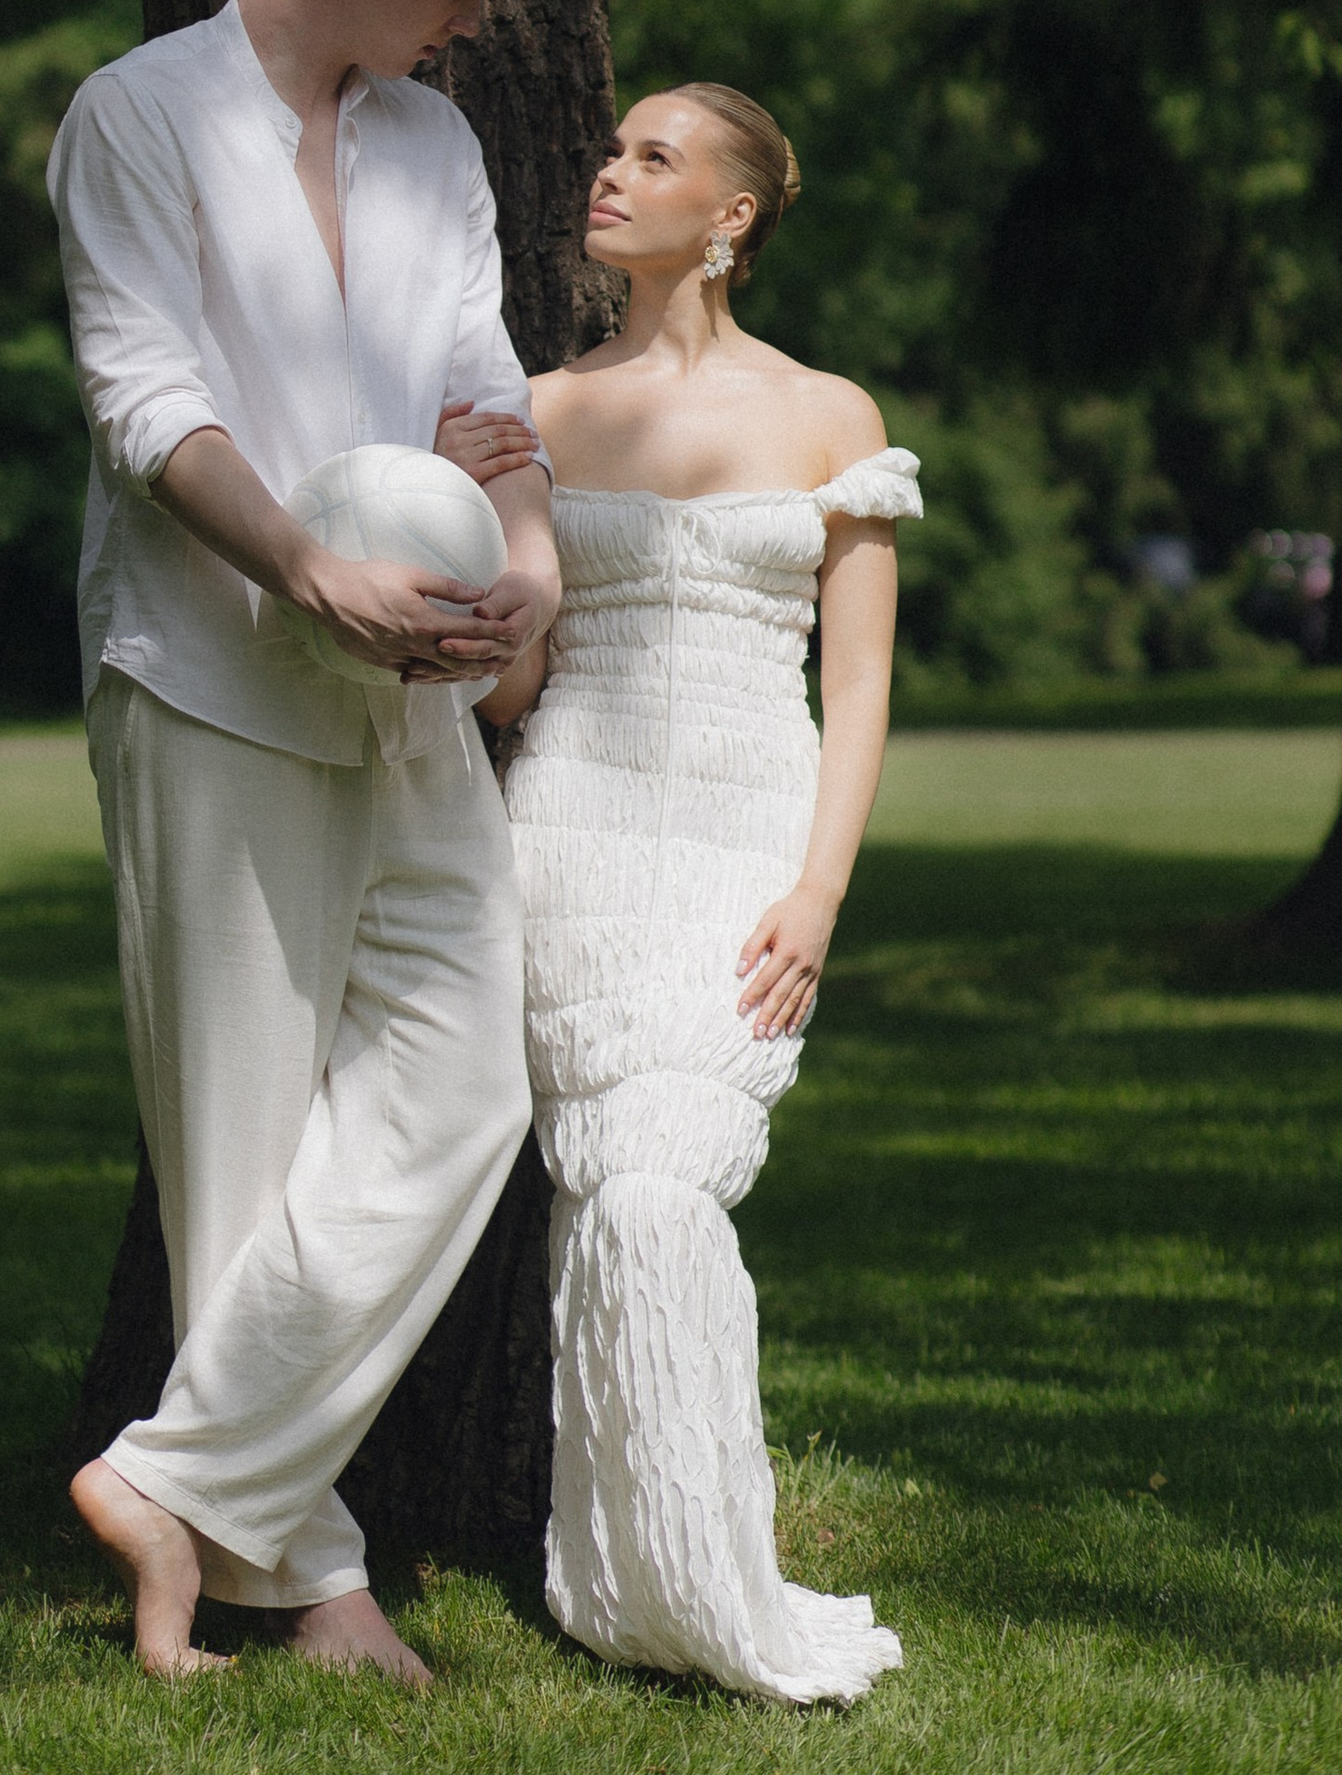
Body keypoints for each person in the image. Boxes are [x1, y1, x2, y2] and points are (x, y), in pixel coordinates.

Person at [48, 0, 560, 1684]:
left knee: (469, 1077)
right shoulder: (139, 114)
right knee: (242, 1147)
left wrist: (527, 566)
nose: (476, 16)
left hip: (414, 688)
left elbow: (486, 395)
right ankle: (309, 1576)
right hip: (212, 676)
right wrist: (302, 568)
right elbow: (141, 397)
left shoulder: (436, 143)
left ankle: (170, 1481)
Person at [473, 82, 918, 1705]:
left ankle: (690, 1577)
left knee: (666, 1182)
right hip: (571, 831)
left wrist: (820, 893)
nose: (609, 170)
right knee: (612, 1184)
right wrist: (484, 535)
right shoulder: (537, 405)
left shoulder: (830, 415)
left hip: (747, 833)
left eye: (652, 155)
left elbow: (855, 689)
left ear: (731, 214)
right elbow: (514, 689)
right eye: (611, 147)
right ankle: (638, 1582)